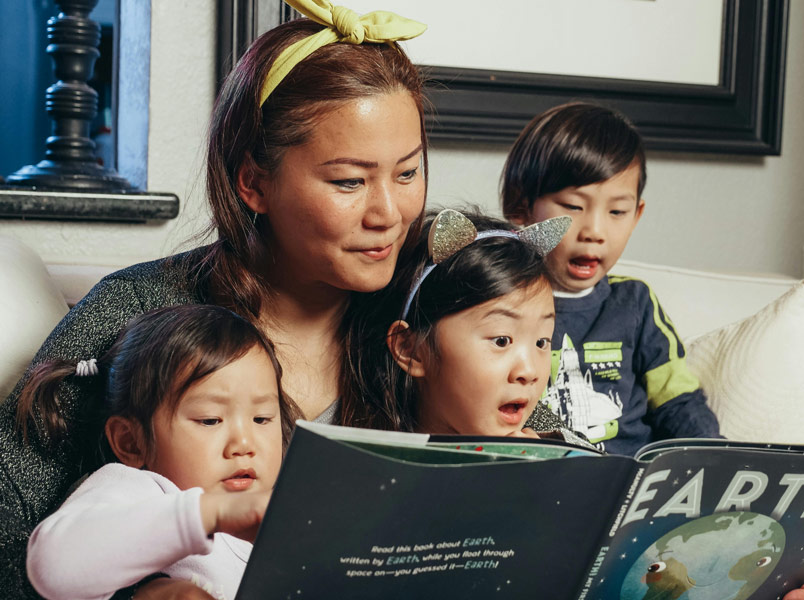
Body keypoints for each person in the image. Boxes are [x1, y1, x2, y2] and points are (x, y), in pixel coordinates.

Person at [0, 0, 428, 597]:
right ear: (253, 181)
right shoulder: (137, 310)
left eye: (407, 174)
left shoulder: (426, 309)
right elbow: (12, 540)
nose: (389, 214)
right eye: (348, 181)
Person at [22, 305, 298, 600]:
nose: (244, 444)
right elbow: (54, 568)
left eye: (262, 419)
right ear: (132, 442)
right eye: (209, 420)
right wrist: (213, 513)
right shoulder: (140, 491)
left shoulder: (287, 519)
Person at [500, 102, 721, 456]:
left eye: (617, 211)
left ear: (637, 215)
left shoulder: (635, 303)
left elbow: (677, 401)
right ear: (521, 207)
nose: (595, 231)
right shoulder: (501, 301)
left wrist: (715, 457)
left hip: (630, 480)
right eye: (573, 206)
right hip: (544, 477)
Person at [348, 208, 590, 442]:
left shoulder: (553, 441)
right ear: (410, 348)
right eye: (501, 341)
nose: (529, 372)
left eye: (541, 342)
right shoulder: (366, 449)